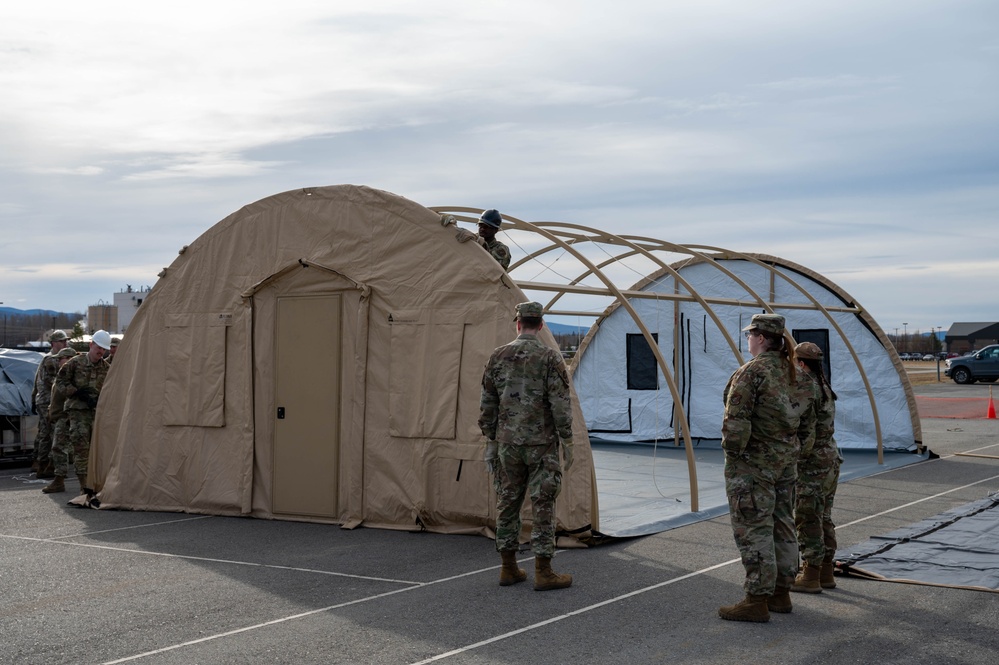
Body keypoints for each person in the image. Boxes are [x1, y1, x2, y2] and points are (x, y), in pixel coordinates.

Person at [479, 301, 574, 590]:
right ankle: (543, 571)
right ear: (541, 325)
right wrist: (567, 439)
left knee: (508, 501)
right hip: (541, 445)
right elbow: (560, 404)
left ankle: (508, 567)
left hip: (508, 444)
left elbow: (488, 404)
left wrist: (491, 440)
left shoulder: (498, 356)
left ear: (517, 323)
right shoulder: (549, 358)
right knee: (543, 503)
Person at [718, 313, 802, 622]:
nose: (748, 340)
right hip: (785, 464)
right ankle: (781, 592)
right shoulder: (794, 372)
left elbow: (735, 423)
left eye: (750, 335)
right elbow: (807, 422)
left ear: (761, 339)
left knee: (754, 528)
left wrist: (734, 457)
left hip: (754, 467)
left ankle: (756, 599)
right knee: (783, 524)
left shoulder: (751, 373)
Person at [790, 342, 842, 593]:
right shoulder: (823, 386)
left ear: (800, 363)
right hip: (830, 458)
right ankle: (825, 570)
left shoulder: (806, 388)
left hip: (813, 463)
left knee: (807, 517)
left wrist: (795, 463)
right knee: (823, 516)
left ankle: (810, 574)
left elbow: (807, 434)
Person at [55, 330, 112, 496]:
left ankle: (97, 484)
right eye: (98, 348)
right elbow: (60, 381)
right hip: (78, 412)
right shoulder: (75, 363)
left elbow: (111, 390)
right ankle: (83, 486)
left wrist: (101, 401)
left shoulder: (106, 368)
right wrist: (75, 392)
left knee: (98, 448)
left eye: (104, 349)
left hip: (97, 413)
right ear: (91, 345)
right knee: (81, 448)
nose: (101, 352)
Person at [31, 330, 71, 478]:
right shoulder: (51, 360)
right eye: (62, 341)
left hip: (48, 401)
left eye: (66, 341)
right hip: (47, 401)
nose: (65, 343)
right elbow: (52, 382)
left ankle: (41, 462)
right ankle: (43, 464)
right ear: (54, 343)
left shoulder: (54, 358)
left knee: (45, 431)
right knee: (48, 433)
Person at [41, 347, 79, 494]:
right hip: (59, 416)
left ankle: (60, 479)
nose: (57, 361)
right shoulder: (63, 374)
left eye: (60, 358)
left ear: (69, 359)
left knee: (59, 448)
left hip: (65, 417)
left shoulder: (72, 376)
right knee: (60, 448)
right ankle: (60, 478)